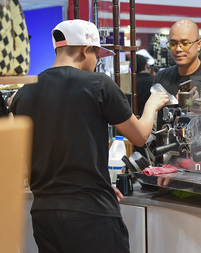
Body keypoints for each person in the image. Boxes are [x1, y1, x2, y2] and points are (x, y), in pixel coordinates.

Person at [11, 19, 168, 253]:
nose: (97, 63)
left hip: (44, 214)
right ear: (86, 50)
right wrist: (151, 106)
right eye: (97, 55)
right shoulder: (98, 84)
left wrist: (97, 184)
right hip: (92, 215)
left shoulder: (25, 92)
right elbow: (140, 136)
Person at [153, 19, 201, 97]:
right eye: (173, 44)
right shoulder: (161, 77)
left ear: (198, 44)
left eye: (185, 44)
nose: (178, 49)